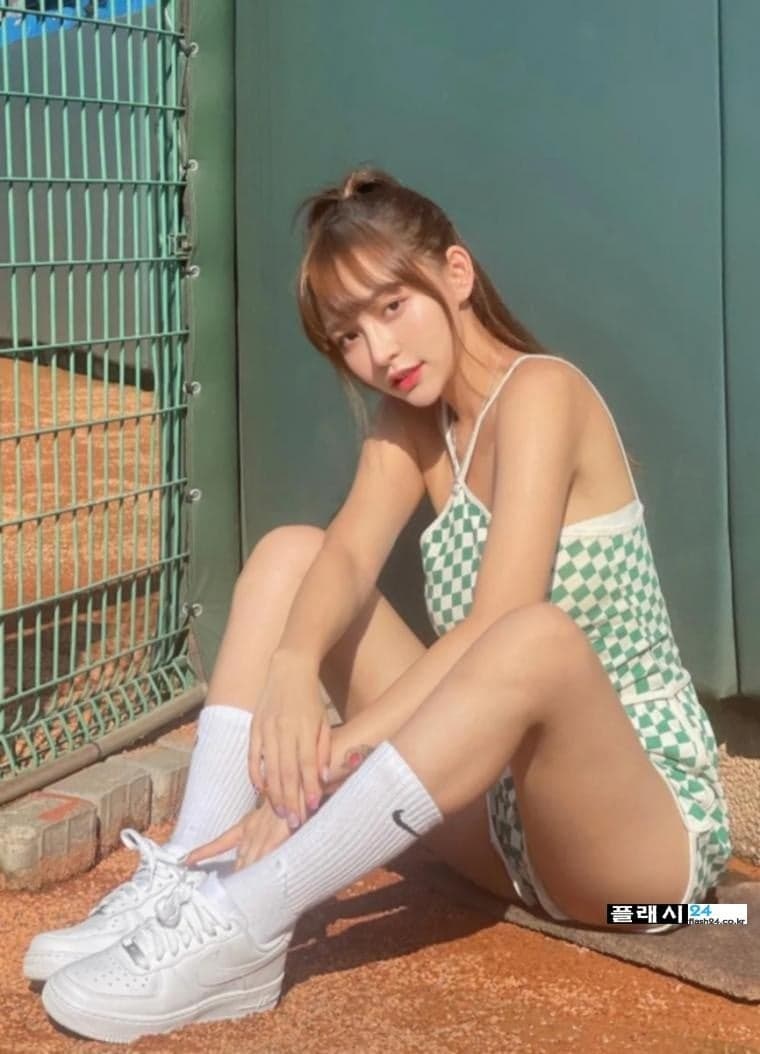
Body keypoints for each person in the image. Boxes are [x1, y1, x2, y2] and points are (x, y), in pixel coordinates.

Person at [27, 166, 731, 1043]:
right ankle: (190, 876)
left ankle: (249, 921)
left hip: (639, 872)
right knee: (291, 555)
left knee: (531, 637)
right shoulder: (413, 424)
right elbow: (347, 555)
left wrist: (328, 760)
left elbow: (494, 624)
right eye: (348, 335)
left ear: (456, 275)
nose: (378, 352)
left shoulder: (543, 392)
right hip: (504, 835)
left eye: (392, 307)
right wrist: (292, 669)